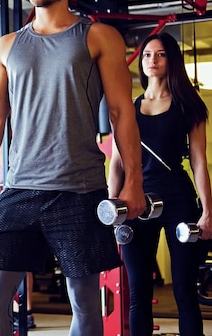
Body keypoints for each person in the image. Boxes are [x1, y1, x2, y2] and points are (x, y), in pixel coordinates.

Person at [0, 0, 147, 336]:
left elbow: (120, 113)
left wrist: (134, 181)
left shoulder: (98, 36)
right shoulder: (8, 45)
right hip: (19, 187)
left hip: (78, 189)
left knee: (83, 300)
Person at [108, 32, 212, 336]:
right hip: (137, 200)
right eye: (147, 55)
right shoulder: (128, 108)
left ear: (172, 60)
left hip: (178, 198)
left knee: (183, 291)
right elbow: (116, 163)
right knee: (138, 293)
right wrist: (113, 210)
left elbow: (198, 162)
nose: (153, 60)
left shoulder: (188, 105)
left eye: (161, 54)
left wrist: (207, 211)